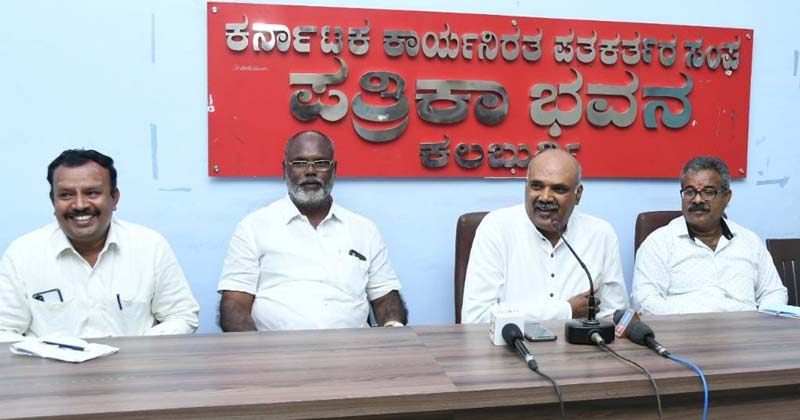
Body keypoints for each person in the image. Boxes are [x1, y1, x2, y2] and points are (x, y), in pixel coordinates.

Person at [0, 149, 199, 342]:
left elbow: (182, 316)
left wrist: (136, 348)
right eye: (66, 195)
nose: (80, 205)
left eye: (92, 193)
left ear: (114, 198)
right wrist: (48, 352)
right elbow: (4, 329)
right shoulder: (23, 254)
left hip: (135, 363)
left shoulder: (150, 246)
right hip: (49, 364)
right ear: (53, 201)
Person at [217, 130, 407, 331]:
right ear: (285, 169)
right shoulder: (253, 227)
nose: (310, 171)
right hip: (276, 347)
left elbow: (385, 297)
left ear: (334, 170)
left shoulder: (364, 230)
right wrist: (257, 349)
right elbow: (234, 304)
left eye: (321, 163)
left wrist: (393, 330)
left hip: (353, 346)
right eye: (299, 163)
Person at [461, 148, 628, 323]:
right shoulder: (496, 227)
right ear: (526, 187)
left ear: (578, 194)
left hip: (582, 340)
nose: (545, 197)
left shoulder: (601, 234)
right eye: (537, 186)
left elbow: (614, 314)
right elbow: (476, 317)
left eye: (559, 189)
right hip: (511, 341)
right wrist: (566, 311)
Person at [632, 156, 787, 314]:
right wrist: (701, 317)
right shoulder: (658, 243)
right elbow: (644, 302)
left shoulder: (749, 241)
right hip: (685, 327)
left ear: (726, 197)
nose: (697, 200)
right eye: (689, 192)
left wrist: (760, 322)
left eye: (708, 192)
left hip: (747, 326)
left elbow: (773, 292)